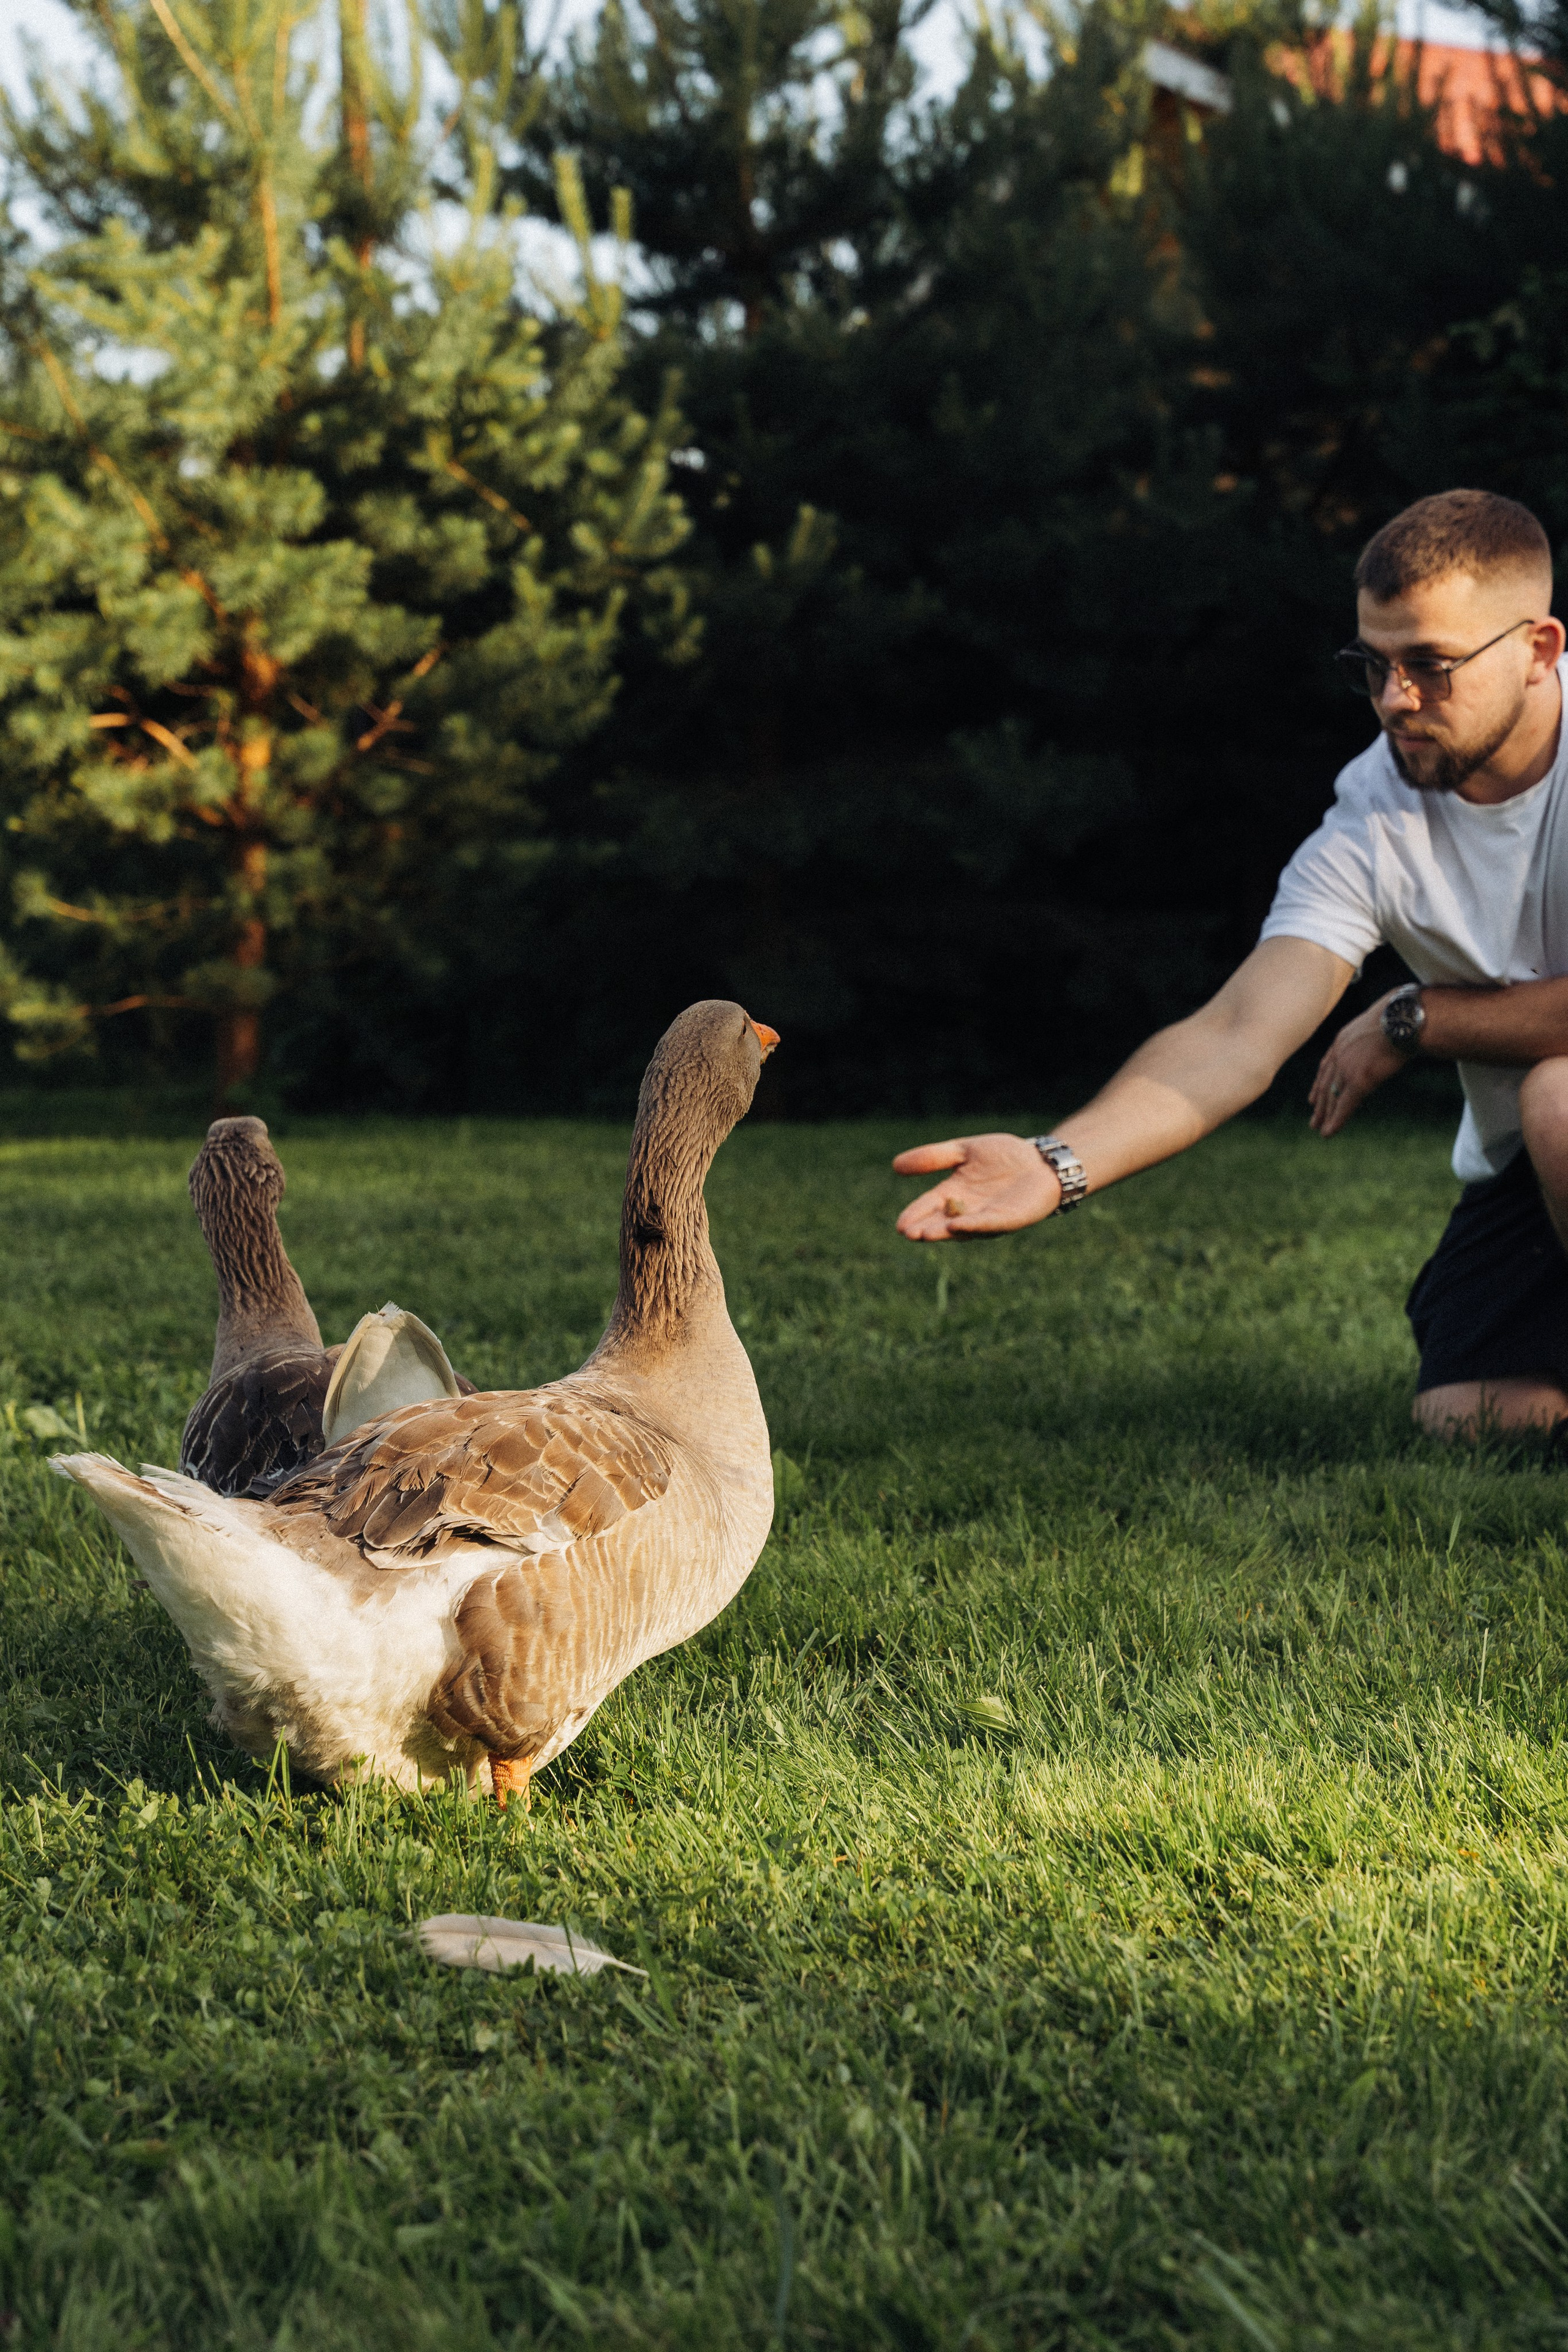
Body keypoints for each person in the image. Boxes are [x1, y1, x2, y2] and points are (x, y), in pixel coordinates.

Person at [894, 488, 1568, 1439]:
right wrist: (1058, 1162)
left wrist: (1423, 1019)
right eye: (1372, 667)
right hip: (1535, 1174)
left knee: (1558, 1095)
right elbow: (1239, 1030)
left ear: (1540, 650)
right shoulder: (1376, 813)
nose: (1394, 702)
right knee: (1471, 1418)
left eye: (1431, 666)